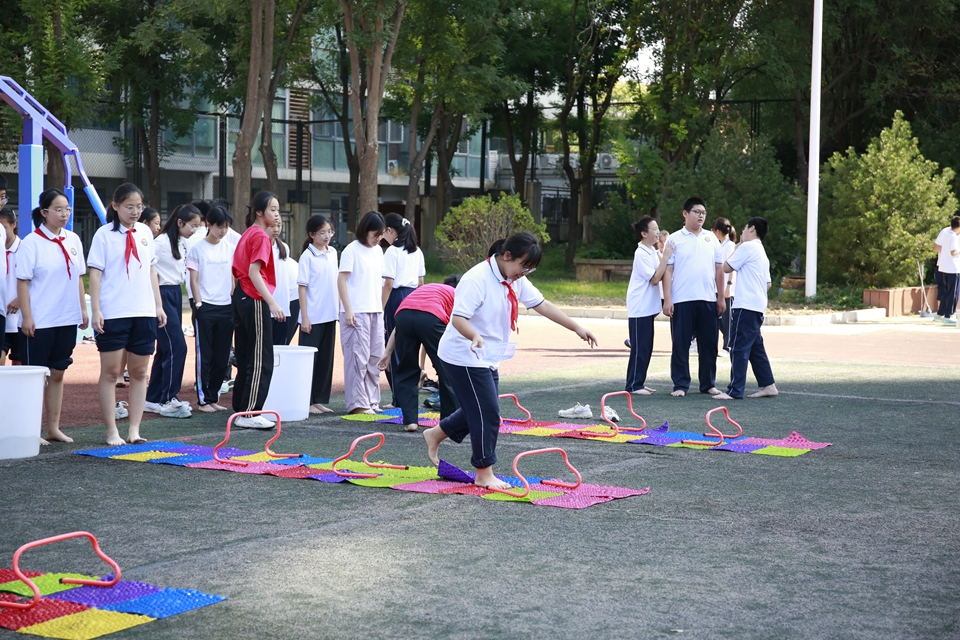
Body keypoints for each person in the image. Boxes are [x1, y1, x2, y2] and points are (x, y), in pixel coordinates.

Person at [421, 232, 598, 490]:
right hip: (464, 354)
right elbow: (458, 318)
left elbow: (543, 304)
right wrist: (474, 336)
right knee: (488, 413)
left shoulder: (515, 279)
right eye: (522, 266)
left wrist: (576, 327)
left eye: (529, 270)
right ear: (506, 256)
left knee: (479, 408)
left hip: (488, 355)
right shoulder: (476, 278)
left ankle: (435, 433)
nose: (523, 273)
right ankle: (484, 473)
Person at [88, 183, 166, 446]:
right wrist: (96, 310)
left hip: (143, 311)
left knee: (140, 373)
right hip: (114, 312)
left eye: (139, 207)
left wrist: (158, 306)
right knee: (111, 373)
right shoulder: (104, 235)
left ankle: (134, 430)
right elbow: (95, 274)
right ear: (116, 206)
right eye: (129, 206)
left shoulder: (145, 232)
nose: (135, 212)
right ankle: (112, 431)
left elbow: (151, 271)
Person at [16, 190, 89, 444]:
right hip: (40, 319)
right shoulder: (31, 243)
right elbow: (22, 282)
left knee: (58, 372)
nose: (64, 214)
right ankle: (30, 430)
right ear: (44, 212)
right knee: (36, 377)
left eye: (67, 209)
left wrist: (82, 309)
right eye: (58, 210)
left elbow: (78, 277)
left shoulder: (73, 239)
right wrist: (27, 316)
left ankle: (53, 428)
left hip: (65, 318)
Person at [378, 275, 461, 432]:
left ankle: (411, 421)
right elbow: (457, 328)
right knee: (448, 371)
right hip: (431, 317)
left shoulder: (427, 289)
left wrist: (387, 353)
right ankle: (448, 422)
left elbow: (398, 328)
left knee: (406, 370)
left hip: (403, 316)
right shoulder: (457, 294)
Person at [231, 190, 285, 429]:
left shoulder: (249, 233)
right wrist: (271, 302)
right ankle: (250, 412)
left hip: (241, 296)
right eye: (273, 210)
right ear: (260, 212)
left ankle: (240, 409)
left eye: (278, 210)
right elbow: (254, 272)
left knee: (245, 355)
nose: (277, 214)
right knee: (261, 357)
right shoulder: (261, 236)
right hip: (253, 297)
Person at [662, 197, 725, 397]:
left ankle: (708, 384)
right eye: (697, 212)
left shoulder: (711, 238)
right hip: (682, 299)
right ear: (685, 213)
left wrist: (721, 297)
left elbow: (719, 269)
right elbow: (668, 271)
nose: (700, 216)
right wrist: (668, 299)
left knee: (709, 344)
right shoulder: (674, 239)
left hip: (708, 299)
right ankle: (680, 385)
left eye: (703, 213)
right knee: (680, 343)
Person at [144, 204, 201, 418]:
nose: (194, 230)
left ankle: (152, 399)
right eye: (192, 226)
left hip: (175, 292)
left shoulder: (182, 242)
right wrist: (158, 304)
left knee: (166, 348)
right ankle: (168, 398)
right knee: (177, 347)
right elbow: (149, 270)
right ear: (179, 222)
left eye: (197, 226)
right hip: (162, 293)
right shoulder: (159, 243)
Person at [714, 217, 778, 400]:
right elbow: (768, 284)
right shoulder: (761, 251)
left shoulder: (747, 247)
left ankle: (735, 390)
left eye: (743, 228)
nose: (741, 232)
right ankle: (769, 385)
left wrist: (738, 247)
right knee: (756, 348)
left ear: (752, 228)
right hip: (757, 306)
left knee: (738, 347)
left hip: (745, 306)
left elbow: (726, 267)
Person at [187, 206, 235, 413]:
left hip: (226, 308)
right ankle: (203, 400)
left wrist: (232, 297)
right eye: (219, 226)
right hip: (206, 307)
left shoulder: (230, 248)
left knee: (222, 357)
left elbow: (233, 276)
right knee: (204, 356)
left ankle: (213, 397)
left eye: (226, 227)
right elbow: (193, 280)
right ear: (209, 225)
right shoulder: (197, 249)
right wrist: (199, 304)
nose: (223, 231)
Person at [338, 211, 386, 415]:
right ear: (365, 231)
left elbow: (380, 283)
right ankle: (358, 404)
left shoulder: (378, 251)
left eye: (380, 235)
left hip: (375, 310)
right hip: (356, 311)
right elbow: (341, 280)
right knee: (358, 358)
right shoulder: (351, 250)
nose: (378, 239)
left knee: (375, 357)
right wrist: (348, 308)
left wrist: (381, 311)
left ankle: (372, 401)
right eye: (375, 234)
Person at [381, 213, 425, 405]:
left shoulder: (392, 251)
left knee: (393, 347)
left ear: (390, 230)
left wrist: (381, 309)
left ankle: (399, 398)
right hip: (414, 297)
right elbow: (421, 282)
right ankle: (409, 395)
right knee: (410, 347)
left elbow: (388, 284)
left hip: (397, 298)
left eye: (384, 232)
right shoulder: (417, 251)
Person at [625, 217, 672, 395]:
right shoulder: (641, 253)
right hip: (640, 307)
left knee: (646, 347)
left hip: (647, 308)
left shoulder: (651, 251)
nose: (658, 232)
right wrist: (665, 257)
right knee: (640, 348)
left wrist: (663, 257)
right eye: (654, 229)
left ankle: (639, 382)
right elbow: (654, 278)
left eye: (658, 228)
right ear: (644, 233)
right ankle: (633, 385)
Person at [297, 215, 338, 414]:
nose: (327, 236)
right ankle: (307, 401)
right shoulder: (307, 256)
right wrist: (305, 317)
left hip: (329, 314)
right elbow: (302, 288)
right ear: (312, 234)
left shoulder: (333, 253)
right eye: (322, 232)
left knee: (325, 360)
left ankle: (319, 399)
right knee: (309, 362)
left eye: (329, 231)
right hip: (312, 316)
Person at [712, 217, 737, 356]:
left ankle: (728, 346)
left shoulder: (730, 246)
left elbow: (732, 267)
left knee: (727, 319)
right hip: (718, 287)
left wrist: (729, 285)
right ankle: (731, 340)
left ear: (717, 231)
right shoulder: (720, 245)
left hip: (727, 287)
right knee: (718, 318)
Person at [0, 206, 22, 366]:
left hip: (20, 319)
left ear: (14, 225)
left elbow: (36, 280)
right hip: (2, 317)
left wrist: (20, 299)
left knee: (19, 364)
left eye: (4, 227)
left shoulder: (25, 249)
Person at [269, 219, 295, 345]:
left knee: (280, 348)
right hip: (267, 306)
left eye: (279, 226)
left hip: (283, 307)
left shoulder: (284, 247)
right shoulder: (260, 247)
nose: (276, 229)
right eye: (272, 226)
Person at [934, 216, 960, 323]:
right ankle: (948, 315)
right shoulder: (951, 235)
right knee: (953, 293)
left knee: (947, 292)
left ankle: (942, 313)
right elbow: (953, 251)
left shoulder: (948, 234)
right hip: (953, 268)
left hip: (946, 267)